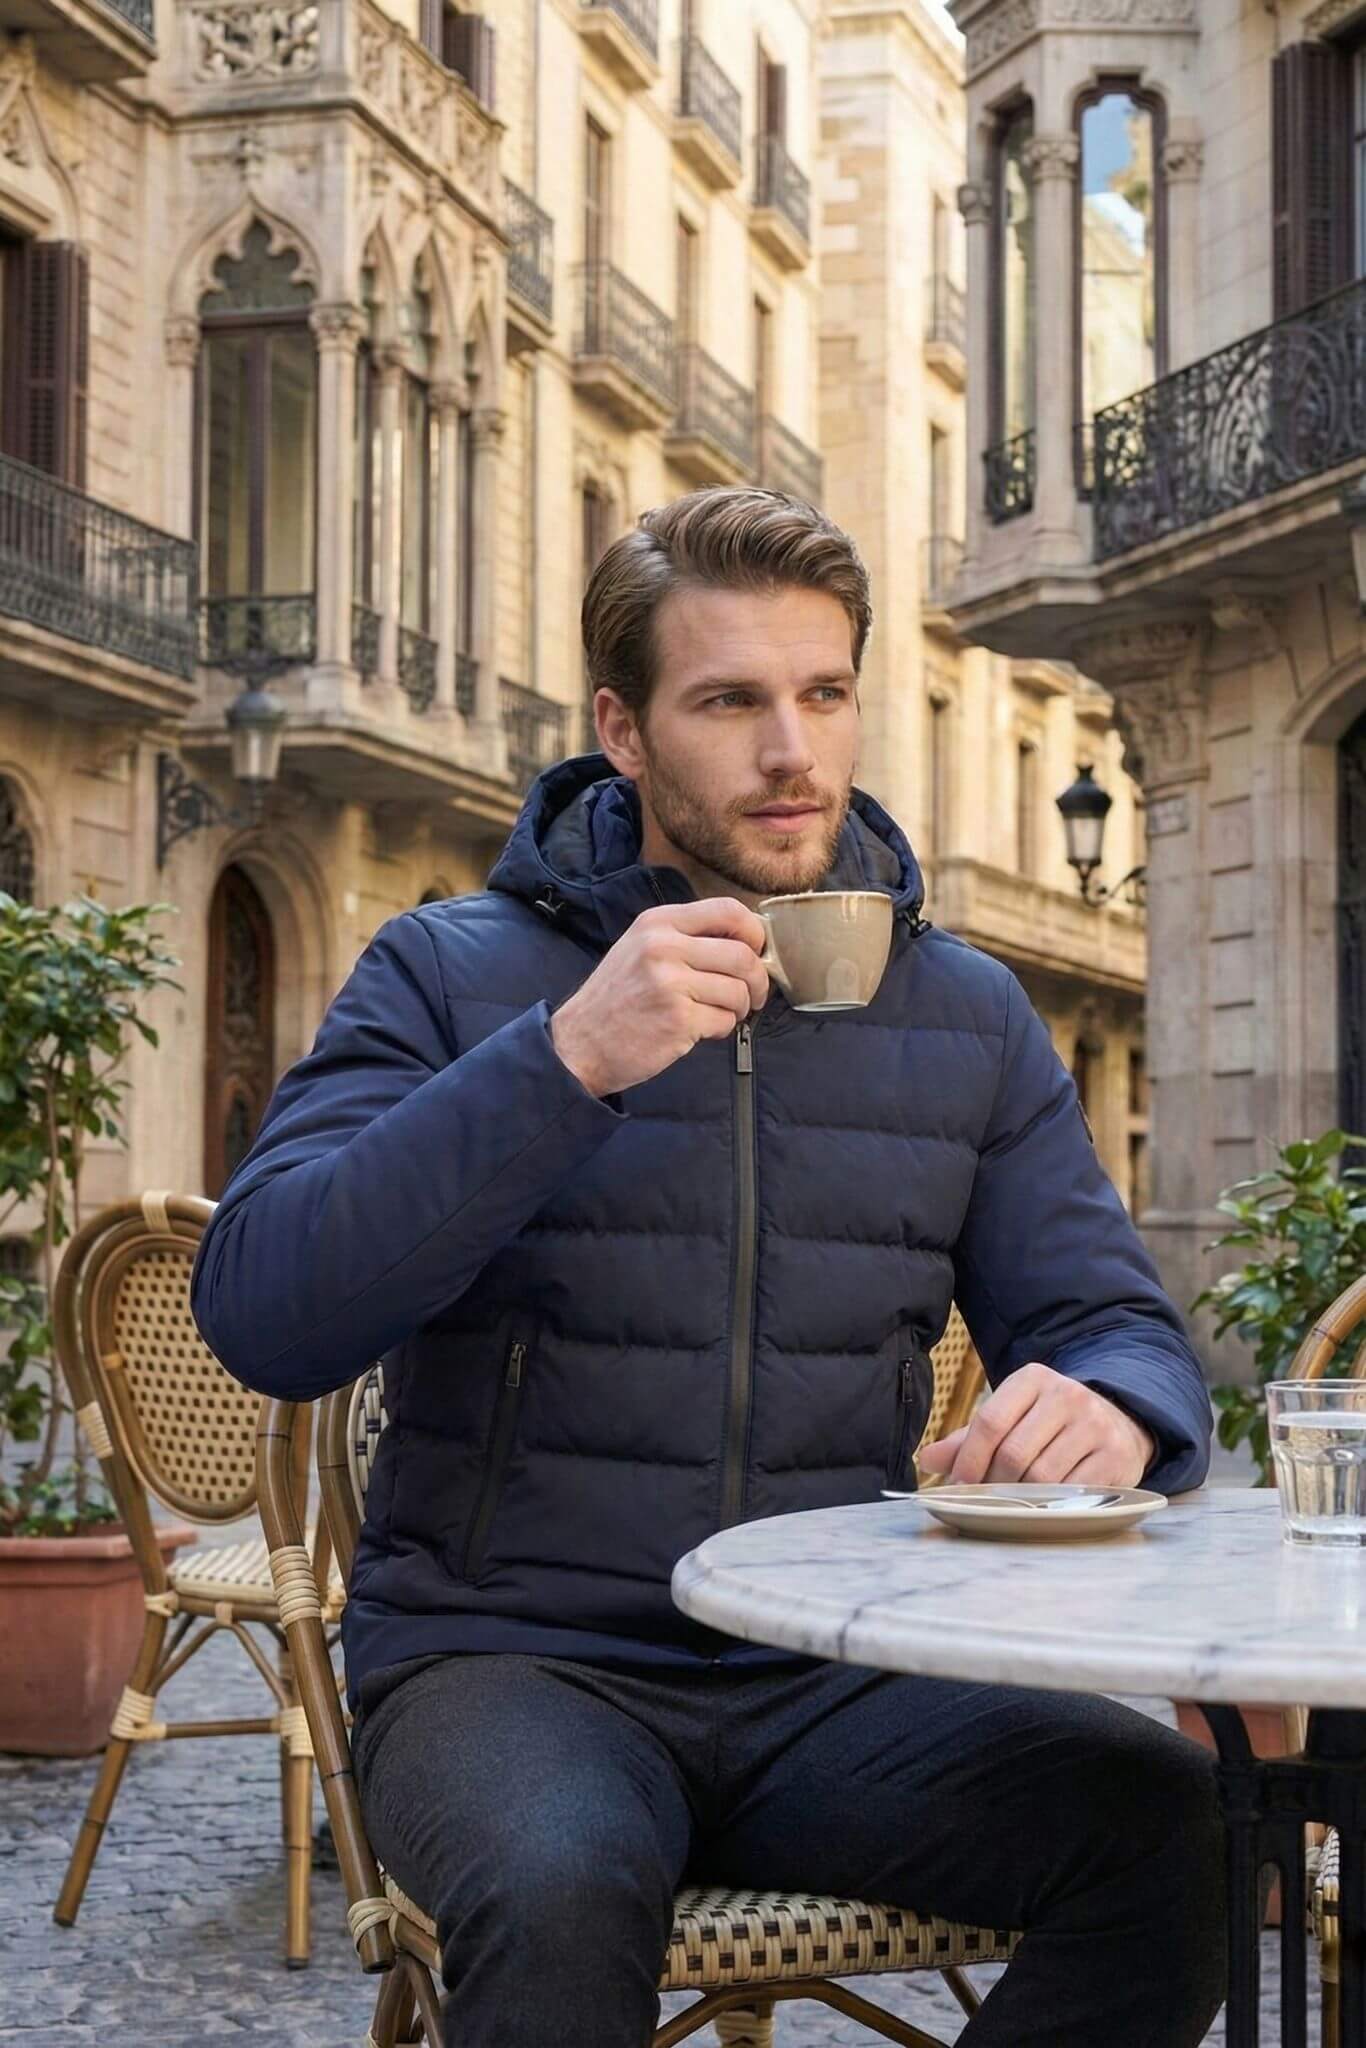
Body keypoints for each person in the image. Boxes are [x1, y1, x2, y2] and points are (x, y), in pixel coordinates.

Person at [193, 487, 1225, 2046]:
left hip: (839, 1665)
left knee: (1187, 1827)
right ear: (621, 726)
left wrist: (1120, 1407)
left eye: (822, 695)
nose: (791, 752)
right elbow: (265, 1310)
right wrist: (563, 1064)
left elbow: (1111, 1322)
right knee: (558, 1889)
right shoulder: (447, 970)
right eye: (729, 701)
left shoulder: (965, 1015)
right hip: (513, 1668)